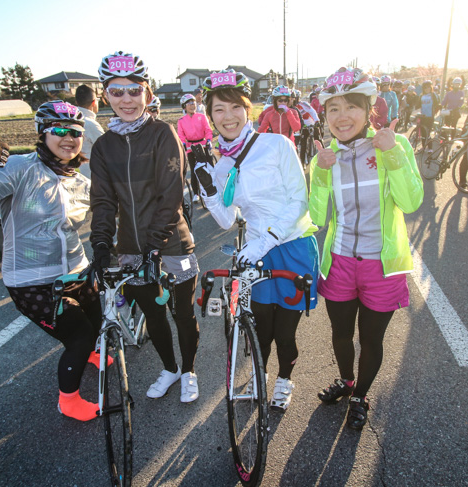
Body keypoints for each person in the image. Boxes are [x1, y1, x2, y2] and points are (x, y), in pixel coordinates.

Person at [0, 102, 103, 421]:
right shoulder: (20, 168)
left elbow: (107, 212)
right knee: (77, 336)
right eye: (60, 131)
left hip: (76, 270)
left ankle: (93, 351)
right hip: (31, 280)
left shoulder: (78, 180)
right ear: (42, 133)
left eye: (76, 132)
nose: (69, 138)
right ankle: (69, 400)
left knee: (96, 318)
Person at [193, 69, 319, 410]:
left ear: (247, 109)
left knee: (285, 334)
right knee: (261, 330)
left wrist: (265, 242)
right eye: (219, 109)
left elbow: (299, 200)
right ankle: (260, 378)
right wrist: (207, 192)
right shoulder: (221, 165)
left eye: (235, 107)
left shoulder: (277, 144)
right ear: (210, 116)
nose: (228, 116)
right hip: (255, 252)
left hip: (291, 246)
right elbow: (226, 219)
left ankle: (284, 381)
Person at [309, 67, 423, 430]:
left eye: (350, 108)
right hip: (340, 261)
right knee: (340, 335)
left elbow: (411, 201)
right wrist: (322, 173)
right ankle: (346, 382)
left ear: (368, 109)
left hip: (383, 265)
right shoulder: (324, 156)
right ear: (325, 116)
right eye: (333, 110)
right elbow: (314, 216)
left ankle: (360, 397)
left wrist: (392, 155)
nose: (342, 118)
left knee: (371, 339)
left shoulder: (394, 143)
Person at [88, 51, 201, 403]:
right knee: (154, 315)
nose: (126, 99)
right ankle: (170, 369)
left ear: (147, 94)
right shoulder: (104, 146)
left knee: (182, 314)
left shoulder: (162, 133)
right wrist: (102, 245)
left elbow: (171, 195)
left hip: (172, 245)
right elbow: (103, 201)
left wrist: (154, 243)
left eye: (134, 91)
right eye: (116, 91)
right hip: (131, 250)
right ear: (105, 95)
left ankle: (190, 370)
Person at [178, 93, 214, 202]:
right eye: (189, 103)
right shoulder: (181, 121)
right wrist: (183, 143)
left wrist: (208, 140)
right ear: (184, 106)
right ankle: (196, 193)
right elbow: (181, 135)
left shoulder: (202, 117)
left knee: (209, 168)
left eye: (193, 102)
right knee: (194, 171)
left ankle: (213, 190)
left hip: (203, 144)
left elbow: (208, 130)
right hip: (190, 147)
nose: (192, 105)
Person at [74, 84, 105, 179]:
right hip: (97, 178)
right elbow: (108, 150)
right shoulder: (91, 125)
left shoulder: (74, 121)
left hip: (84, 174)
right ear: (94, 102)